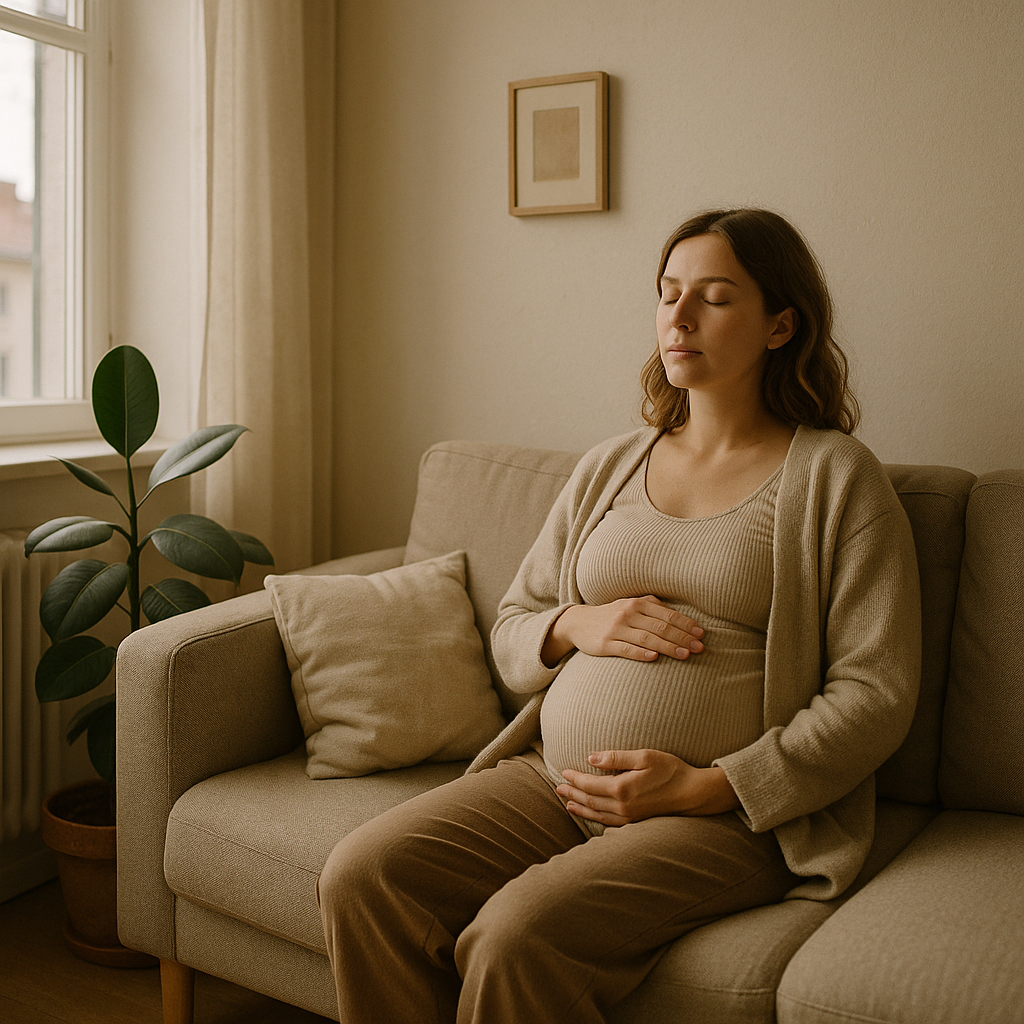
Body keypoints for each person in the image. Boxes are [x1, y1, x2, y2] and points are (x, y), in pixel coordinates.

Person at [317, 208, 922, 1024]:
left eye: (713, 297)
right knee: (362, 874)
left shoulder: (836, 479)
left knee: (513, 938)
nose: (678, 318)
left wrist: (709, 786)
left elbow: (875, 693)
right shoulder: (613, 463)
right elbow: (514, 625)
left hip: (730, 817)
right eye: (669, 293)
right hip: (555, 780)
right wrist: (575, 625)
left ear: (781, 325)